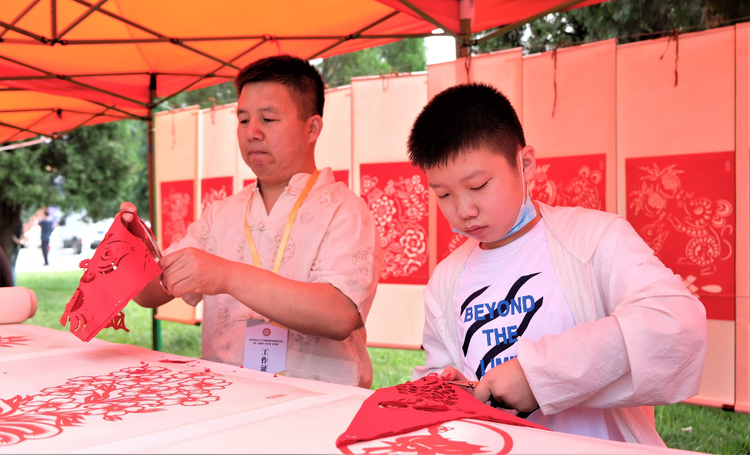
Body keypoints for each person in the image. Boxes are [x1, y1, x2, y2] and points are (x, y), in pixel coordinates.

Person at [407, 83, 706, 446]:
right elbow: (441, 370)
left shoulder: (594, 239)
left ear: (525, 163)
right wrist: (447, 382)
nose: (463, 210)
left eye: (479, 185)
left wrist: (538, 375)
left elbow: (676, 322)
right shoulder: (446, 280)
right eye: (443, 194)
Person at [123, 55, 382, 388]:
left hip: (319, 408)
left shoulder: (345, 210)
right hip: (228, 399)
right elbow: (148, 295)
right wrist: (135, 250)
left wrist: (226, 276)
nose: (252, 133)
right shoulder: (221, 214)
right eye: (243, 120)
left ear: (312, 128)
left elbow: (339, 315)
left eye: (269, 118)